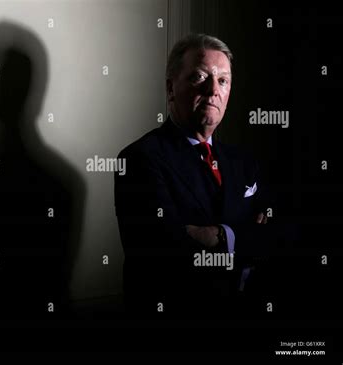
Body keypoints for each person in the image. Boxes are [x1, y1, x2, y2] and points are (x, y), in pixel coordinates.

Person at [114, 34, 276, 318]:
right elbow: (166, 257)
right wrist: (247, 236)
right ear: (170, 88)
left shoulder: (245, 162)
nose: (213, 89)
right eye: (199, 77)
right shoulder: (139, 159)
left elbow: (280, 236)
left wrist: (219, 237)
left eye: (223, 80)